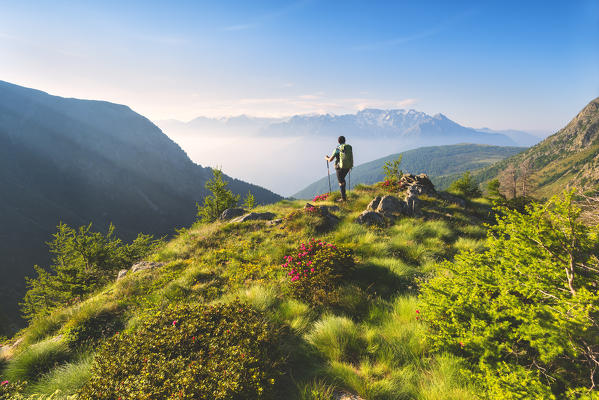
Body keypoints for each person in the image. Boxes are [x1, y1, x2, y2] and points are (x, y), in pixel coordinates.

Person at [325, 136, 353, 201]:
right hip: (347, 167)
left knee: (341, 181)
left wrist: (326, 158)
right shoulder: (347, 147)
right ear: (345, 140)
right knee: (342, 180)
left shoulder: (337, 149)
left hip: (339, 168)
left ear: (338, 141)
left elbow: (330, 160)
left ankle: (343, 198)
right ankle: (344, 196)